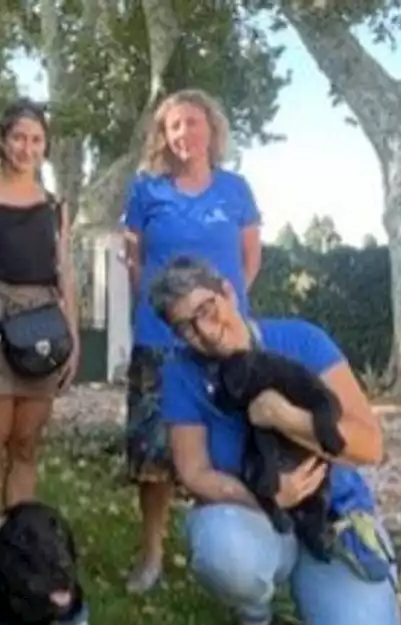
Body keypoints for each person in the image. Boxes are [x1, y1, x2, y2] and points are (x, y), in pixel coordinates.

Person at [149, 253, 401, 625]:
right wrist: (268, 496)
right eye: (186, 327)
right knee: (222, 547)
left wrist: (286, 418)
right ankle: (255, 616)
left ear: (228, 292)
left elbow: (370, 446)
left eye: (207, 310)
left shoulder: (301, 341)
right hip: (256, 520)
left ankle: (315, 596)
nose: (207, 333)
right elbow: (193, 473)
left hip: (333, 521)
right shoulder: (182, 373)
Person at [120, 88, 264, 593]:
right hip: (160, 339)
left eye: (193, 124)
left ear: (212, 131)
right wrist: (167, 311)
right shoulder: (145, 192)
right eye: (174, 126)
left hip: (225, 342)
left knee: (227, 448)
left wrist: (224, 315)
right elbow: (135, 263)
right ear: (165, 135)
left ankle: (225, 553)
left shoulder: (236, 190)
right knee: (155, 456)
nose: (184, 134)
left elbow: (249, 262)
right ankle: (153, 553)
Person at [0, 99, 80, 542]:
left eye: (36, 140)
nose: (27, 148)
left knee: (26, 446)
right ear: (2, 141)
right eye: (19, 138)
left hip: (44, 324)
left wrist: (74, 338)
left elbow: (64, 271)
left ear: (45, 147)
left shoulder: (53, 205)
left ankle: (20, 549)